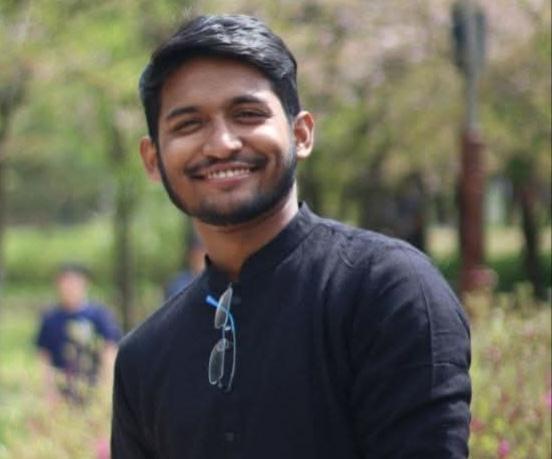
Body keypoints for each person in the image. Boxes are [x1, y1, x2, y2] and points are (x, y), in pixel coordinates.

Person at [111, 14, 471, 458]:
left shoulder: (385, 291)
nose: (221, 144)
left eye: (247, 115)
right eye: (188, 124)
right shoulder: (144, 357)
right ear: (153, 159)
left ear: (301, 134)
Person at [36, 263, 121, 404]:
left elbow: (109, 351)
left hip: (93, 387)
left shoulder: (99, 315)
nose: (70, 287)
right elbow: (44, 357)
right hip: (61, 391)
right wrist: (49, 391)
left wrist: (106, 387)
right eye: (65, 282)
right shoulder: (50, 318)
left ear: (85, 284)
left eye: (74, 282)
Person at [164, 233, 205, 299]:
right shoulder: (177, 284)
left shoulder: (217, 283)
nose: (201, 256)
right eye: (198, 252)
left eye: (204, 251)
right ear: (190, 254)